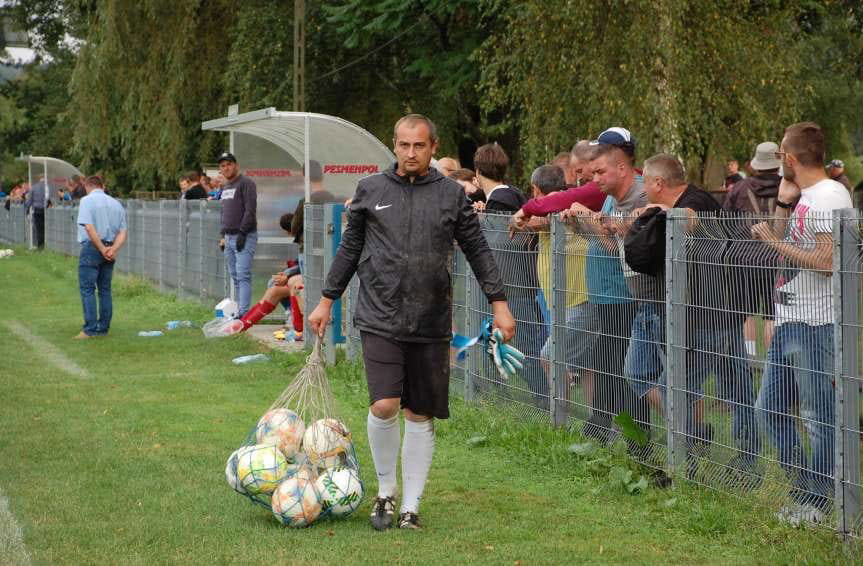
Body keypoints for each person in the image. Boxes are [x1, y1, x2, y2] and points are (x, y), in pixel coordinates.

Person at [308, 114, 515, 531]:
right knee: (384, 404)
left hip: (430, 319)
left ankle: (411, 507)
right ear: (395, 145)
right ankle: (385, 493)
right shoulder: (371, 190)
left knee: (419, 414)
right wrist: (326, 300)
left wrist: (500, 304)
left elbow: (478, 251)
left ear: (433, 147)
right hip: (379, 315)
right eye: (403, 145)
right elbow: (349, 251)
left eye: (419, 146)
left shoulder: (451, 197)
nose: (410, 153)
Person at [624, 153, 761, 483]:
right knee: (705, 386)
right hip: (701, 314)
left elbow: (691, 218)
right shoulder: (672, 207)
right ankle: (699, 449)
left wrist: (657, 212)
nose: (644, 191)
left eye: (647, 184)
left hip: (711, 316)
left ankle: (697, 465)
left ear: (659, 183)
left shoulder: (695, 200)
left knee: (717, 389)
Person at [751, 122, 852, 526]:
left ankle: (820, 502)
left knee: (817, 416)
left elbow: (829, 264)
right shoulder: (805, 195)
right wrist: (782, 201)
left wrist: (774, 242)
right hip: (791, 319)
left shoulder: (829, 196)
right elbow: (782, 235)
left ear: (789, 159)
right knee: (769, 409)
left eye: (781, 161)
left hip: (816, 323)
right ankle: (805, 489)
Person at [559, 128, 651, 454]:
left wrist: (592, 220)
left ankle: (632, 439)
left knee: (622, 369)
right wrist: (580, 224)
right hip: (606, 294)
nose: (593, 178)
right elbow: (606, 241)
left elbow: (623, 246)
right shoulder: (612, 196)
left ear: (621, 163)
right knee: (609, 365)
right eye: (592, 170)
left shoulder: (640, 196)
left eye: (599, 170)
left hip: (624, 295)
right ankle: (614, 433)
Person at [473, 142, 547, 405]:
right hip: (510, 285)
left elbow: (501, 242)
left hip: (512, 286)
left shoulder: (502, 201)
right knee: (494, 344)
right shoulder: (508, 197)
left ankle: (543, 400)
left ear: (478, 171)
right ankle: (499, 395)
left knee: (524, 345)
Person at [723, 141, 783, 357]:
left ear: (756, 164)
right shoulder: (788, 186)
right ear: (778, 163)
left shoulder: (739, 188)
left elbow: (725, 220)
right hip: (777, 259)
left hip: (743, 259)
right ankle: (773, 360)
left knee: (744, 312)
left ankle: (748, 359)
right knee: (772, 314)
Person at [75, 175, 127, 339]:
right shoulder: (116, 203)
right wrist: (112, 249)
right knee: (105, 290)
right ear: (103, 186)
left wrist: (101, 248)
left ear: (86, 186)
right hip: (111, 247)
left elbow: (89, 228)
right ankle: (103, 328)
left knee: (87, 289)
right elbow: (123, 232)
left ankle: (89, 329)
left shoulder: (86, 201)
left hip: (93, 247)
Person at [217, 152, 258, 316]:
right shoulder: (226, 186)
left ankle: (244, 313)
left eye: (229, 164)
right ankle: (240, 311)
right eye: (222, 165)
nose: (226, 168)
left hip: (245, 236)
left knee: (243, 275)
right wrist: (222, 235)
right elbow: (225, 212)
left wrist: (242, 232)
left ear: (236, 165)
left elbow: (250, 210)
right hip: (228, 237)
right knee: (235, 275)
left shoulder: (246, 183)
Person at [290, 160, 336, 273]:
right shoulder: (331, 199)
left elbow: (294, 227)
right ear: (322, 175)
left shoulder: (306, 201)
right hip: (327, 247)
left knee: (309, 285)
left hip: (308, 248)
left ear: (306, 178)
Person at [24, 176, 49, 249]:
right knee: (46, 228)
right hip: (46, 210)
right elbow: (48, 198)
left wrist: (27, 209)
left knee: (39, 228)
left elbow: (29, 200)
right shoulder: (47, 187)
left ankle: (40, 245)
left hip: (37, 210)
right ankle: (45, 244)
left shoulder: (34, 187)